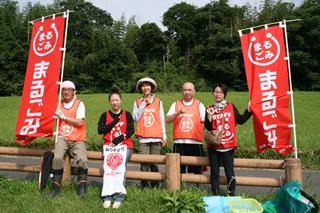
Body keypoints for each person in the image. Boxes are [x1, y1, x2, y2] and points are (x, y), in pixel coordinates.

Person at [204, 82, 251, 196]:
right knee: (214, 172)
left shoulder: (230, 106)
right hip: (214, 146)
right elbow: (207, 127)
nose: (217, 94)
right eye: (216, 92)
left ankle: (231, 194)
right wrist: (209, 117)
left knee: (229, 173)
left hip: (228, 146)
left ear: (224, 94)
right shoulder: (210, 108)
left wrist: (249, 110)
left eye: (220, 92)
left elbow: (240, 120)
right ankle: (215, 194)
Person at [48, 80, 88, 199]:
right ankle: (55, 187)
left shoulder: (79, 104)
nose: (66, 92)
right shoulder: (58, 104)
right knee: (57, 157)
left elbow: (80, 122)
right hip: (63, 137)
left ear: (73, 91)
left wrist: (64, 117)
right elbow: (49, 119)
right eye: (63, 89)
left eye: (68, 90)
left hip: (78, 139)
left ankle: (82, 188)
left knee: (82, 159)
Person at [97, 89, 134, 209]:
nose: (115, 102)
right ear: (109, 101)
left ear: (121, 101)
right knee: (108, 169)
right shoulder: (104, 115)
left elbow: (130, 130)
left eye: (117, 100)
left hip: (124, 145)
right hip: (109, 147)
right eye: (112, 100)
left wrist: (116, 141)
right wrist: (114, 122)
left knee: (119, 167)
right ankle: (107, 196)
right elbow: (100, 130)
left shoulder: (127, 114)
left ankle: (119, 197)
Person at [133, 77, 167, 188]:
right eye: (143, 86)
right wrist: (143, 104)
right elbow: (136, 118)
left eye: (147, 85)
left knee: (154, 163)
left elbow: (161, 118)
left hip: (156, 137)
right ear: (140, 88)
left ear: (151, 87)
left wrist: (164, 135)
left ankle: (155, 185)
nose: (145, 88)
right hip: (143, 138)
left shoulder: (158, 101)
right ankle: (144, 186)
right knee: (144, 163)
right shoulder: (137, 102)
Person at [166, 82, 206, 174]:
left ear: (194, 91)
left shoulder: (199, 105)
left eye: (189, 90)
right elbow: (168, 120)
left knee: (196, 168)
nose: (187, 92)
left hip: (195, 142)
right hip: (179, 142)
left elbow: (205, 123)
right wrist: (177, 113)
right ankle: (179, 187)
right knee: (179, 169)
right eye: (185, 90)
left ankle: (195, 187)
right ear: (182, 91)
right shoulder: (175, 104)